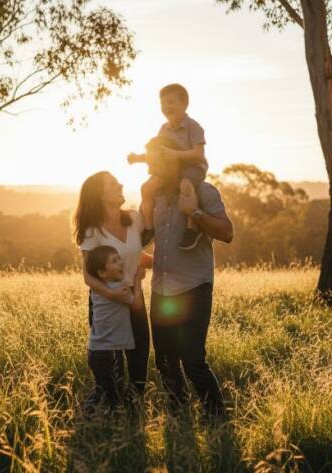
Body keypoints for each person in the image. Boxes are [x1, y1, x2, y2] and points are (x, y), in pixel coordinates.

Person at [142, 136, 234, 421]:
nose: (151, 168)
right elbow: (144, 238)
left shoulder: (202, 191)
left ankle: (218, 421)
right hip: (162, 291)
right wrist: (145, 199)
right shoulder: (154, 195)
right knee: (166, 362)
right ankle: (179, 420)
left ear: (175, 157)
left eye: (156, 160)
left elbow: (227, 232)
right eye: (149, 161)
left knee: (193, 361)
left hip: (194, 287)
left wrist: (193, 212)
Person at [73, 171, 151, 400]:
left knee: (139, 355)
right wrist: (112, 294)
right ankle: (109, 415)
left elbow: (136, 255)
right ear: (100, 195)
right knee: (113, 366)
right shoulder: (92, 231)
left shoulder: (134, 219)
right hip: (107, 304)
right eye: (113, 183)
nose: (120, 185)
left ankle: (134, 410)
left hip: (134, 298)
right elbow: (88, 275)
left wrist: (167, 264)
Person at [128, 83, 208, 251]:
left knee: (186, 184)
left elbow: (199, 154)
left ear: (184, 104)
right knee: (147, 188)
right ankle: (149, 228)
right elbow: (158, 155)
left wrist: (177, 155)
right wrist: (138, 158)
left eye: (171, 102)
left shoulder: (193, 126)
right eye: (163, 103)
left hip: (192, 167)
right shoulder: (163, 129)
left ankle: (192, 228)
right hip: (169, 170)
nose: (166, 107)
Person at [82, 245, 146, 411]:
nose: (121, 263)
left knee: (107, 390)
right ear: (102, 273)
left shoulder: (101, 289)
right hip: (104, 352)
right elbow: (137, 305)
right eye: (114, 261)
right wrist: (137, 280)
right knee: (108, 394)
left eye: (119, 259)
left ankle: (101, 419)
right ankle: (89, 417)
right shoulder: (119, 290)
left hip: (100, 350)